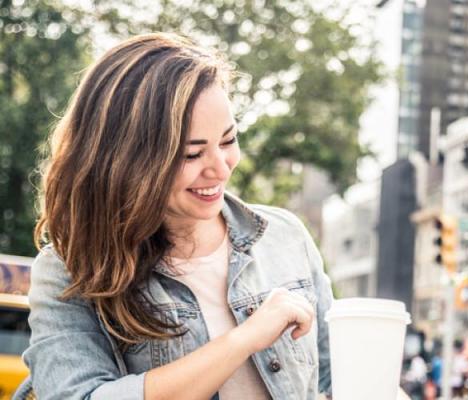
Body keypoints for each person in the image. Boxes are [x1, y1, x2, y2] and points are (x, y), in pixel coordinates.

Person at [15, 33, 334, 399]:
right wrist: (243, 340)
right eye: (191, 155)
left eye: (228, 141)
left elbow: (342, 378)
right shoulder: (70, 270)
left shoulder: (284, 236)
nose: (220, 168)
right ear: (127, 162)